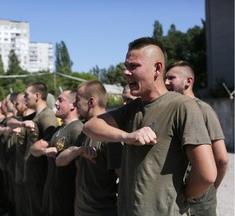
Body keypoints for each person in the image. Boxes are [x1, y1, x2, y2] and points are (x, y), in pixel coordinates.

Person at [83, 37, 217, 215]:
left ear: (157, 68)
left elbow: (207, 174)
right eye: (126, 66)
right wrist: (128, 136)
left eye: (134, 66)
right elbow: (90, 126)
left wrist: (179, 197)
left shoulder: (182, 106)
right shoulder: (133, 108)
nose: (126, 72)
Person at [165, 60, 228, 216]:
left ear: (188, 81)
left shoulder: (203, 110)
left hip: (198, 204)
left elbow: (222, 160)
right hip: (177, 199)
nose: (166, 82)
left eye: (171, 78)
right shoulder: (174, 110)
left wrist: (208, 190)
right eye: (165, 78)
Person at [56, 80, 123, 216]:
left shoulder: (110, 135)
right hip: (82, 209)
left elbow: (123, 179)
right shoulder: (86, 131)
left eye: (78, 100)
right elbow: (59, 161)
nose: (75, 105)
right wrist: (79, 150)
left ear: (91, 102)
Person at [30, 90, 83, 216]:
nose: (56, 104)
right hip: (52, 196)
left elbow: (81, 172)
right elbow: (33, 149)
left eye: (61, 100)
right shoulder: (58, 130)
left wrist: (77, 205)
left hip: (67, 199)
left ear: (73, 105)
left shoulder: (77, 129)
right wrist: (44, 151)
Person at [21, 82, 58, 216]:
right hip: (33, 174)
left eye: (26, 95)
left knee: (39, 210)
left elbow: (52, 139)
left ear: (37, 95)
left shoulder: (46, 115)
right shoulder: (36, 116)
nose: (24, 98)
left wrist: (39, 148)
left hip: (40, 175)